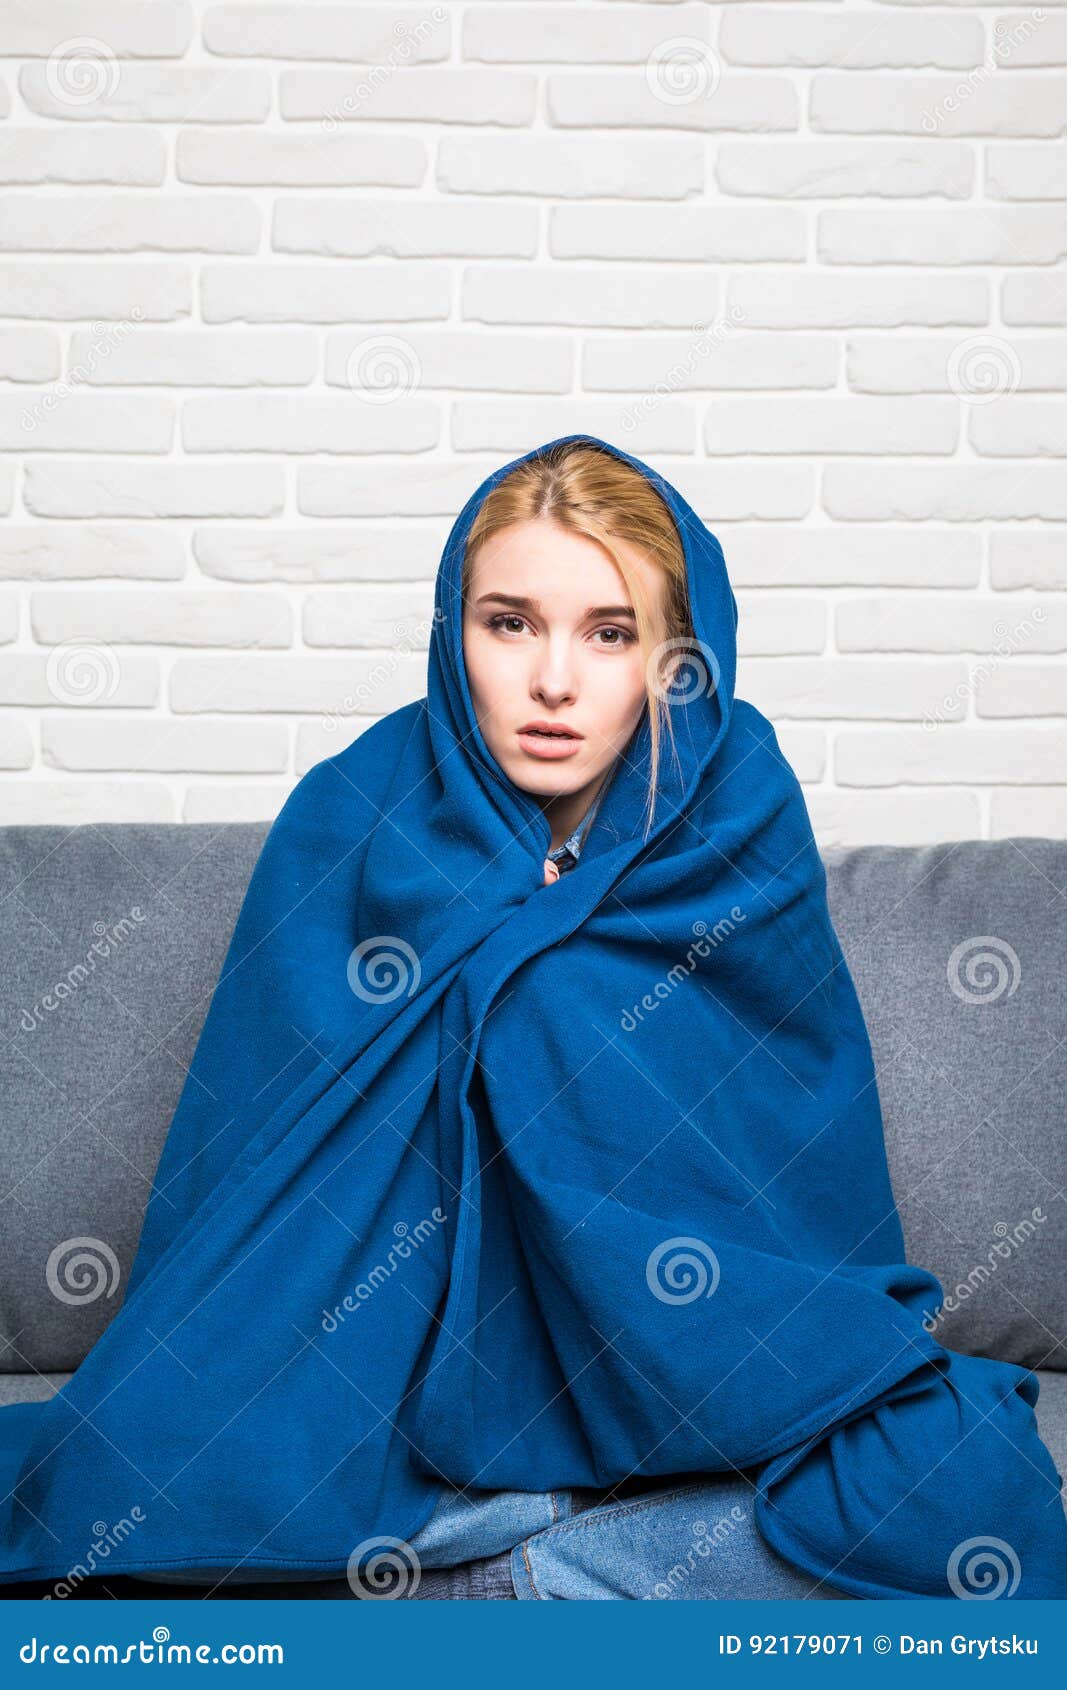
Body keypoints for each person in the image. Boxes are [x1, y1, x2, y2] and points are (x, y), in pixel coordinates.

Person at [2, 435, 1064, 1602]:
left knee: (954, 1488)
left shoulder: (738, 819)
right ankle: (507, 1553)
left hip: (681, 1391)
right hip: (376, 1400)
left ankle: (510, 1568)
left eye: (609, 633)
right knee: (128, 1479)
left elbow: (789, 1177)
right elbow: (250, 1190)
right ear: (453, 634)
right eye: (507, 623)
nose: (553, 679)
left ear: (672, 661)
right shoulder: (351, 815)